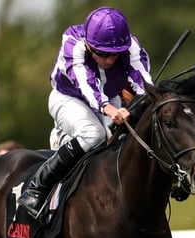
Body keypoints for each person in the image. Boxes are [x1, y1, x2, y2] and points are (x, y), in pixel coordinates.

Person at [17, 6, 153, 220]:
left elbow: (143, 81)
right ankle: (37, 188)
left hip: (110, 98)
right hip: (69, 98)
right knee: (94, 134)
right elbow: (87, 86)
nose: (109, 60)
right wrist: (111, 110)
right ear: (89, 45)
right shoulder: (73, 42)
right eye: (102, 54)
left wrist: (147, 100)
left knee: (123, 142)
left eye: (115, 55)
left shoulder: (131, 47)